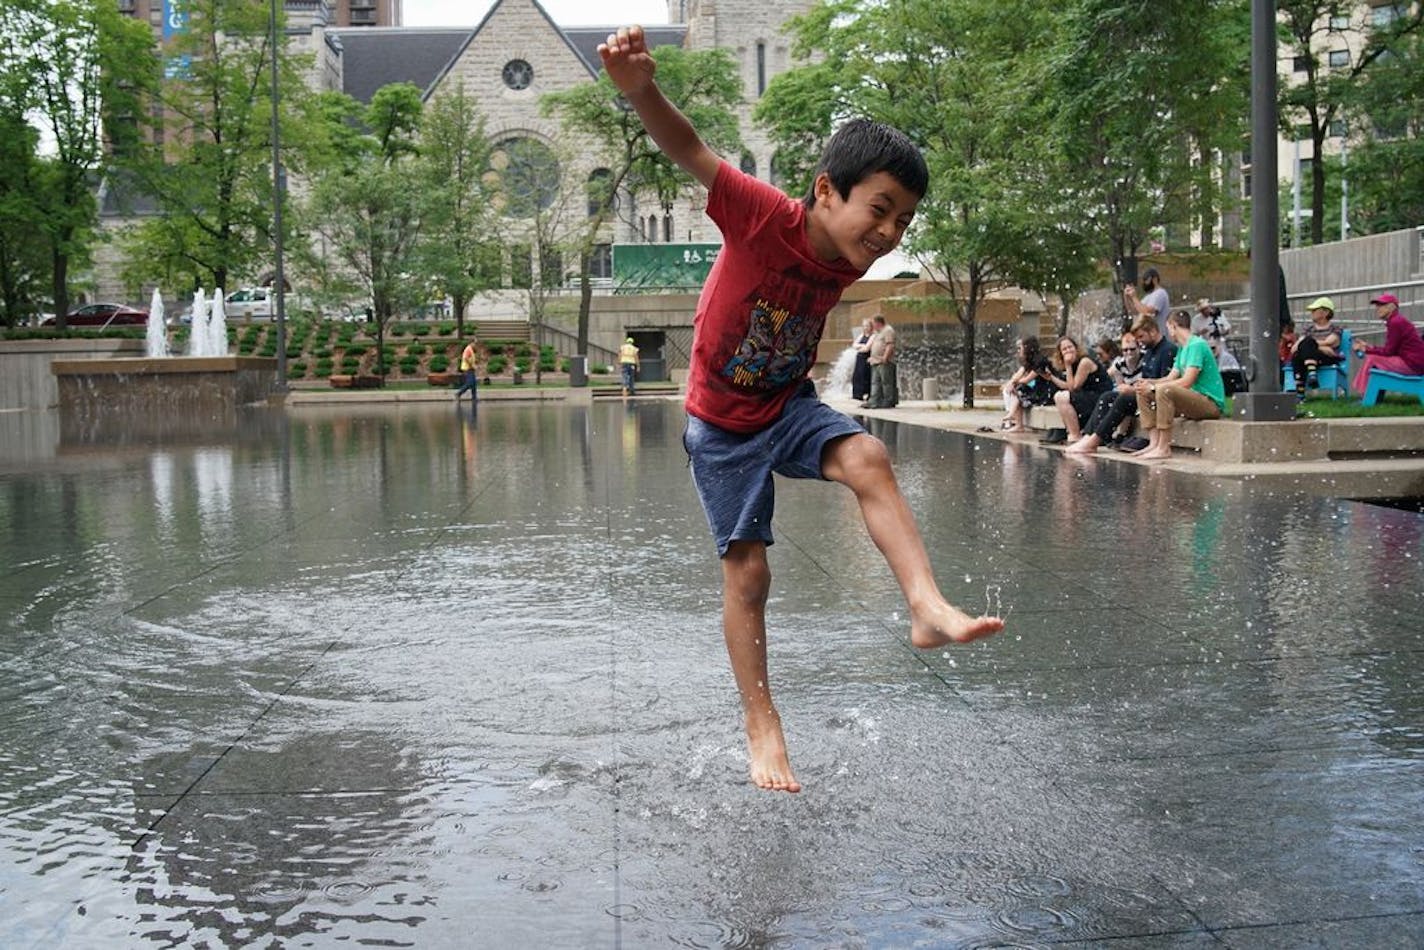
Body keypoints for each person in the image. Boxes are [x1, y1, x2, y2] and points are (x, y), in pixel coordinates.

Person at [598, 25, 1004, 793]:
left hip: (786, 404)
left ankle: (927, 606)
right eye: (878, 210)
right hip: (720, 424)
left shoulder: (850, 254)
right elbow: (689, 150)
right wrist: (640, 89)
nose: (887, 234)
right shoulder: (760, 214)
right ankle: (762, 725)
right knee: (748, 576)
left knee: (869, 458)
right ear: (824, 190)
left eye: (902, 223)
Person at [1066, 316, 1177, 456]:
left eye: (1141, 336)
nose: (1140, 341)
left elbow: (1164, 382)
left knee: (1124, 398)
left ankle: (1095, 440)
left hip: (1155, 397)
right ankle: (1089, 436)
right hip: (1145, 395)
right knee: (1107, 396)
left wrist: (1133, 389)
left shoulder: (1168, 350)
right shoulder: (1150, 351)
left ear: (1153, 331)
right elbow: (1146, 379)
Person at [1130, 309, 1226, 461]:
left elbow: (1187, 381)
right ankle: (1154, 443)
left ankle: (1164, 448)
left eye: (1168, 328)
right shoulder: (1183, 349)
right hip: (1194, 400)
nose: (1168, 333)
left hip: (1210, 403)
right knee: (1143, 391)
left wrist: (1155, 387)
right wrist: (1148, 383)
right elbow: (1170, 377)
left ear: (1173, 326)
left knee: (1164, 390)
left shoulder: (1196, 345)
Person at [1041, 335, 1112, 445]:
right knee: (1059, 395)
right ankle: (1073, 433)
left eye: (1070, 347)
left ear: (1076, 348)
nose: (1068, 350)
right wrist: (1051, 378)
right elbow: (1068, 385)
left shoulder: (1085, 362)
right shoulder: (1074, 364)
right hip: (1089, 397)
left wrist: (1068, 366)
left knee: (1062, 397)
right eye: (1064, 349)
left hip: (1100, 398)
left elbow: (1074, 388)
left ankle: (1075, 435)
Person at [1351, 293, 1424, 394]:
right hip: (1415, 364)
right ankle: (1370, 395)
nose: (1377, 308)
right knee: (1373, 358)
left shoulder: (1395, 322)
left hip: (1413, 365)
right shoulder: (1396, 320)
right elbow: (1391, 350)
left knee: (1372, 359)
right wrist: (1369, 347)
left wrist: (1366, 349)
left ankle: (1364, 396)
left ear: (1391, 307)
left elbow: (1389, 352)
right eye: (1377, 305)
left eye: (1381, 305)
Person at [1289, 296, 1345, 397]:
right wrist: (1322, 347)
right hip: (1312, 357)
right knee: (1297, 355)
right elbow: (1294, 348)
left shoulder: (1335, 328)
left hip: (1326, 359)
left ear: (1326, 312)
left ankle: (1300, 393)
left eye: (1315, 310)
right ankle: (1312, 373)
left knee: (1307, 343)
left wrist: (1310, 344)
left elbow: (1331, 342)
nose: (1312, 313)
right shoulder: (1308, 329)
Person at [998, 335, 1055, 432]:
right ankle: (1014, 420)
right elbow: (1018, 375)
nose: (1019, 350)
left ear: (1028, 348)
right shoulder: (1029, 361)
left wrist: (1014, 383)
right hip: (1036, 389)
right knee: (1011, 390)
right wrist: (1011, 382)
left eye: (1020, 347)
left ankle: (1014, 419)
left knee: (1018, 392)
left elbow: (1027, 380)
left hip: (1045, 392)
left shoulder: (1040, 361)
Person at [1123, 267, 1170, 336]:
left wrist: (1134, 297)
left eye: (1146, 280)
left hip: (1161, 337)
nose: (1144, 283)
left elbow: (1147, 312)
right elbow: (1134, 311)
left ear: (1154, 279)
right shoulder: (1148, 297)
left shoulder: (1160, 293)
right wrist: (1127, 297)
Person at [865, 314, 898, 408]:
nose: (872, 326)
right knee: (875, 382)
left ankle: (888, 401)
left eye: (873, 323)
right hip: (875, 361)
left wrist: (885, 357)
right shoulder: (878, 332)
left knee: (886, 382)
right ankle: (873, 401)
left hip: (884, 361)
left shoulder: (888, 330)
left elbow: (890, 345)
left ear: (878, 323)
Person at [851, 318, 874, 402]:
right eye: (864, 326)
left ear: (871, 327)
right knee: (857, 376)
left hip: (866, 359)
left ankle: (867, 394)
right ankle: (857, 395)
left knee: (866, 376)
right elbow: (854, 345)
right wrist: (861, 346)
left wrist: (859, 346)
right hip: (859, 359)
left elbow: (867, 348)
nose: (865, 328)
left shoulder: (873, 336)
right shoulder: (861, 335)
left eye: (867, 326)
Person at [454, 338, 479, 403]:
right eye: (475, 343)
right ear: (471, 343)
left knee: (474, 384)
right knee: (470, 383)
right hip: (468, 368)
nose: (476, 345)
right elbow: (466, 358)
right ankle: (458, 393)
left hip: (471, 368)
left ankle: (474, 398)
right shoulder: (468, 349)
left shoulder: (471, 349)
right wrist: (471, 365)